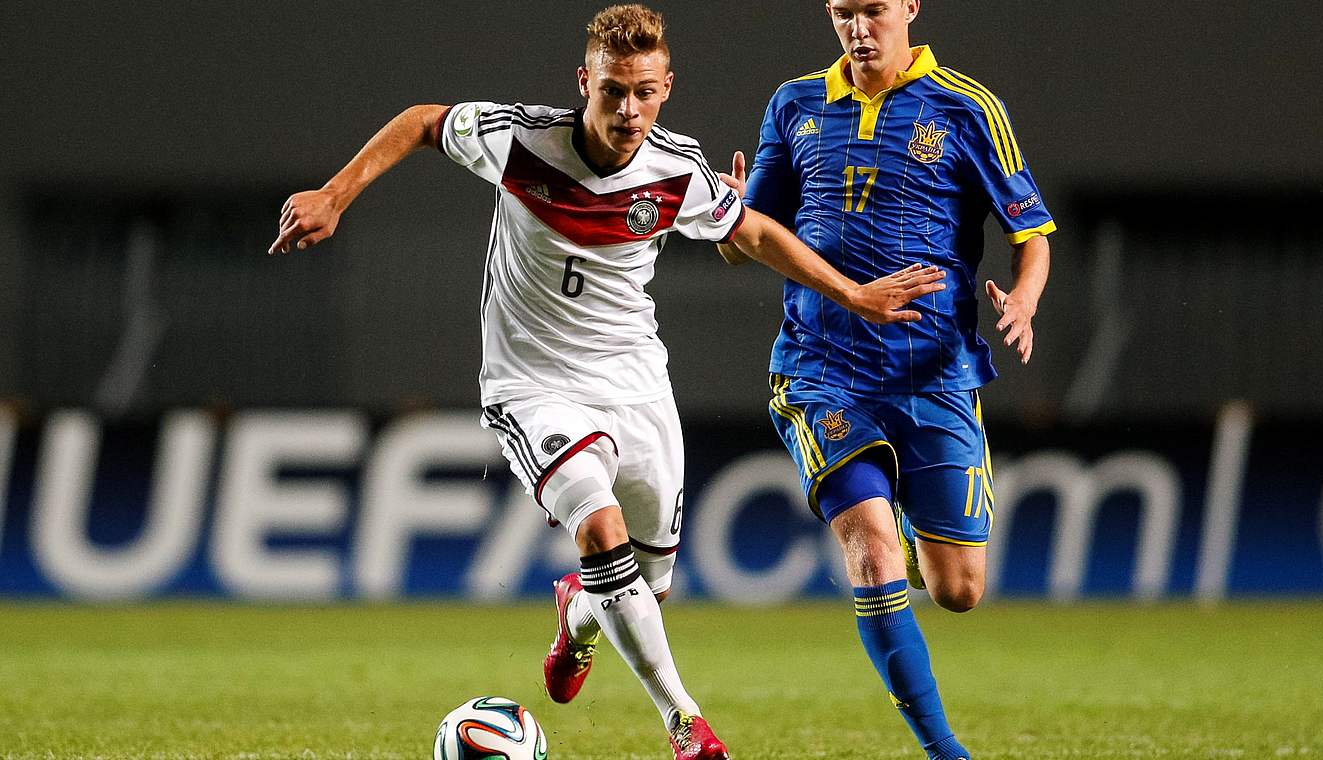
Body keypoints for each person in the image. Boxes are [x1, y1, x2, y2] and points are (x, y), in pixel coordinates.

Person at [269, 5, 947, 759]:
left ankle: (579, 615)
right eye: (614, 92)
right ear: (584, 81)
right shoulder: (523, 141)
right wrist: (335, 193)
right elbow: (426, 121)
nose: (630, 111)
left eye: (646, 93)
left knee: (645, 587)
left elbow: (751, 231)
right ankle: (686, 724)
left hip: (635, 384)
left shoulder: (676, 170)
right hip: (532, 384)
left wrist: (850, 293)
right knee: (600, 529)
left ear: (666, 87)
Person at [717, 1, 1056, 758]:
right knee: (871, 549)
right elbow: (749, 242)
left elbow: (1030, 232)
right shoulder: (794, 103)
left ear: (908, 7)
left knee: (958, 590)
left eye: (873, 9)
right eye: (843, 12)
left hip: (934, 373)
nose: (858, 27)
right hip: (821, 368)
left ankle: (906, 517)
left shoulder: (968, 107)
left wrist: (1024, 297)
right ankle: (945, 751)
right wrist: (732, 220)